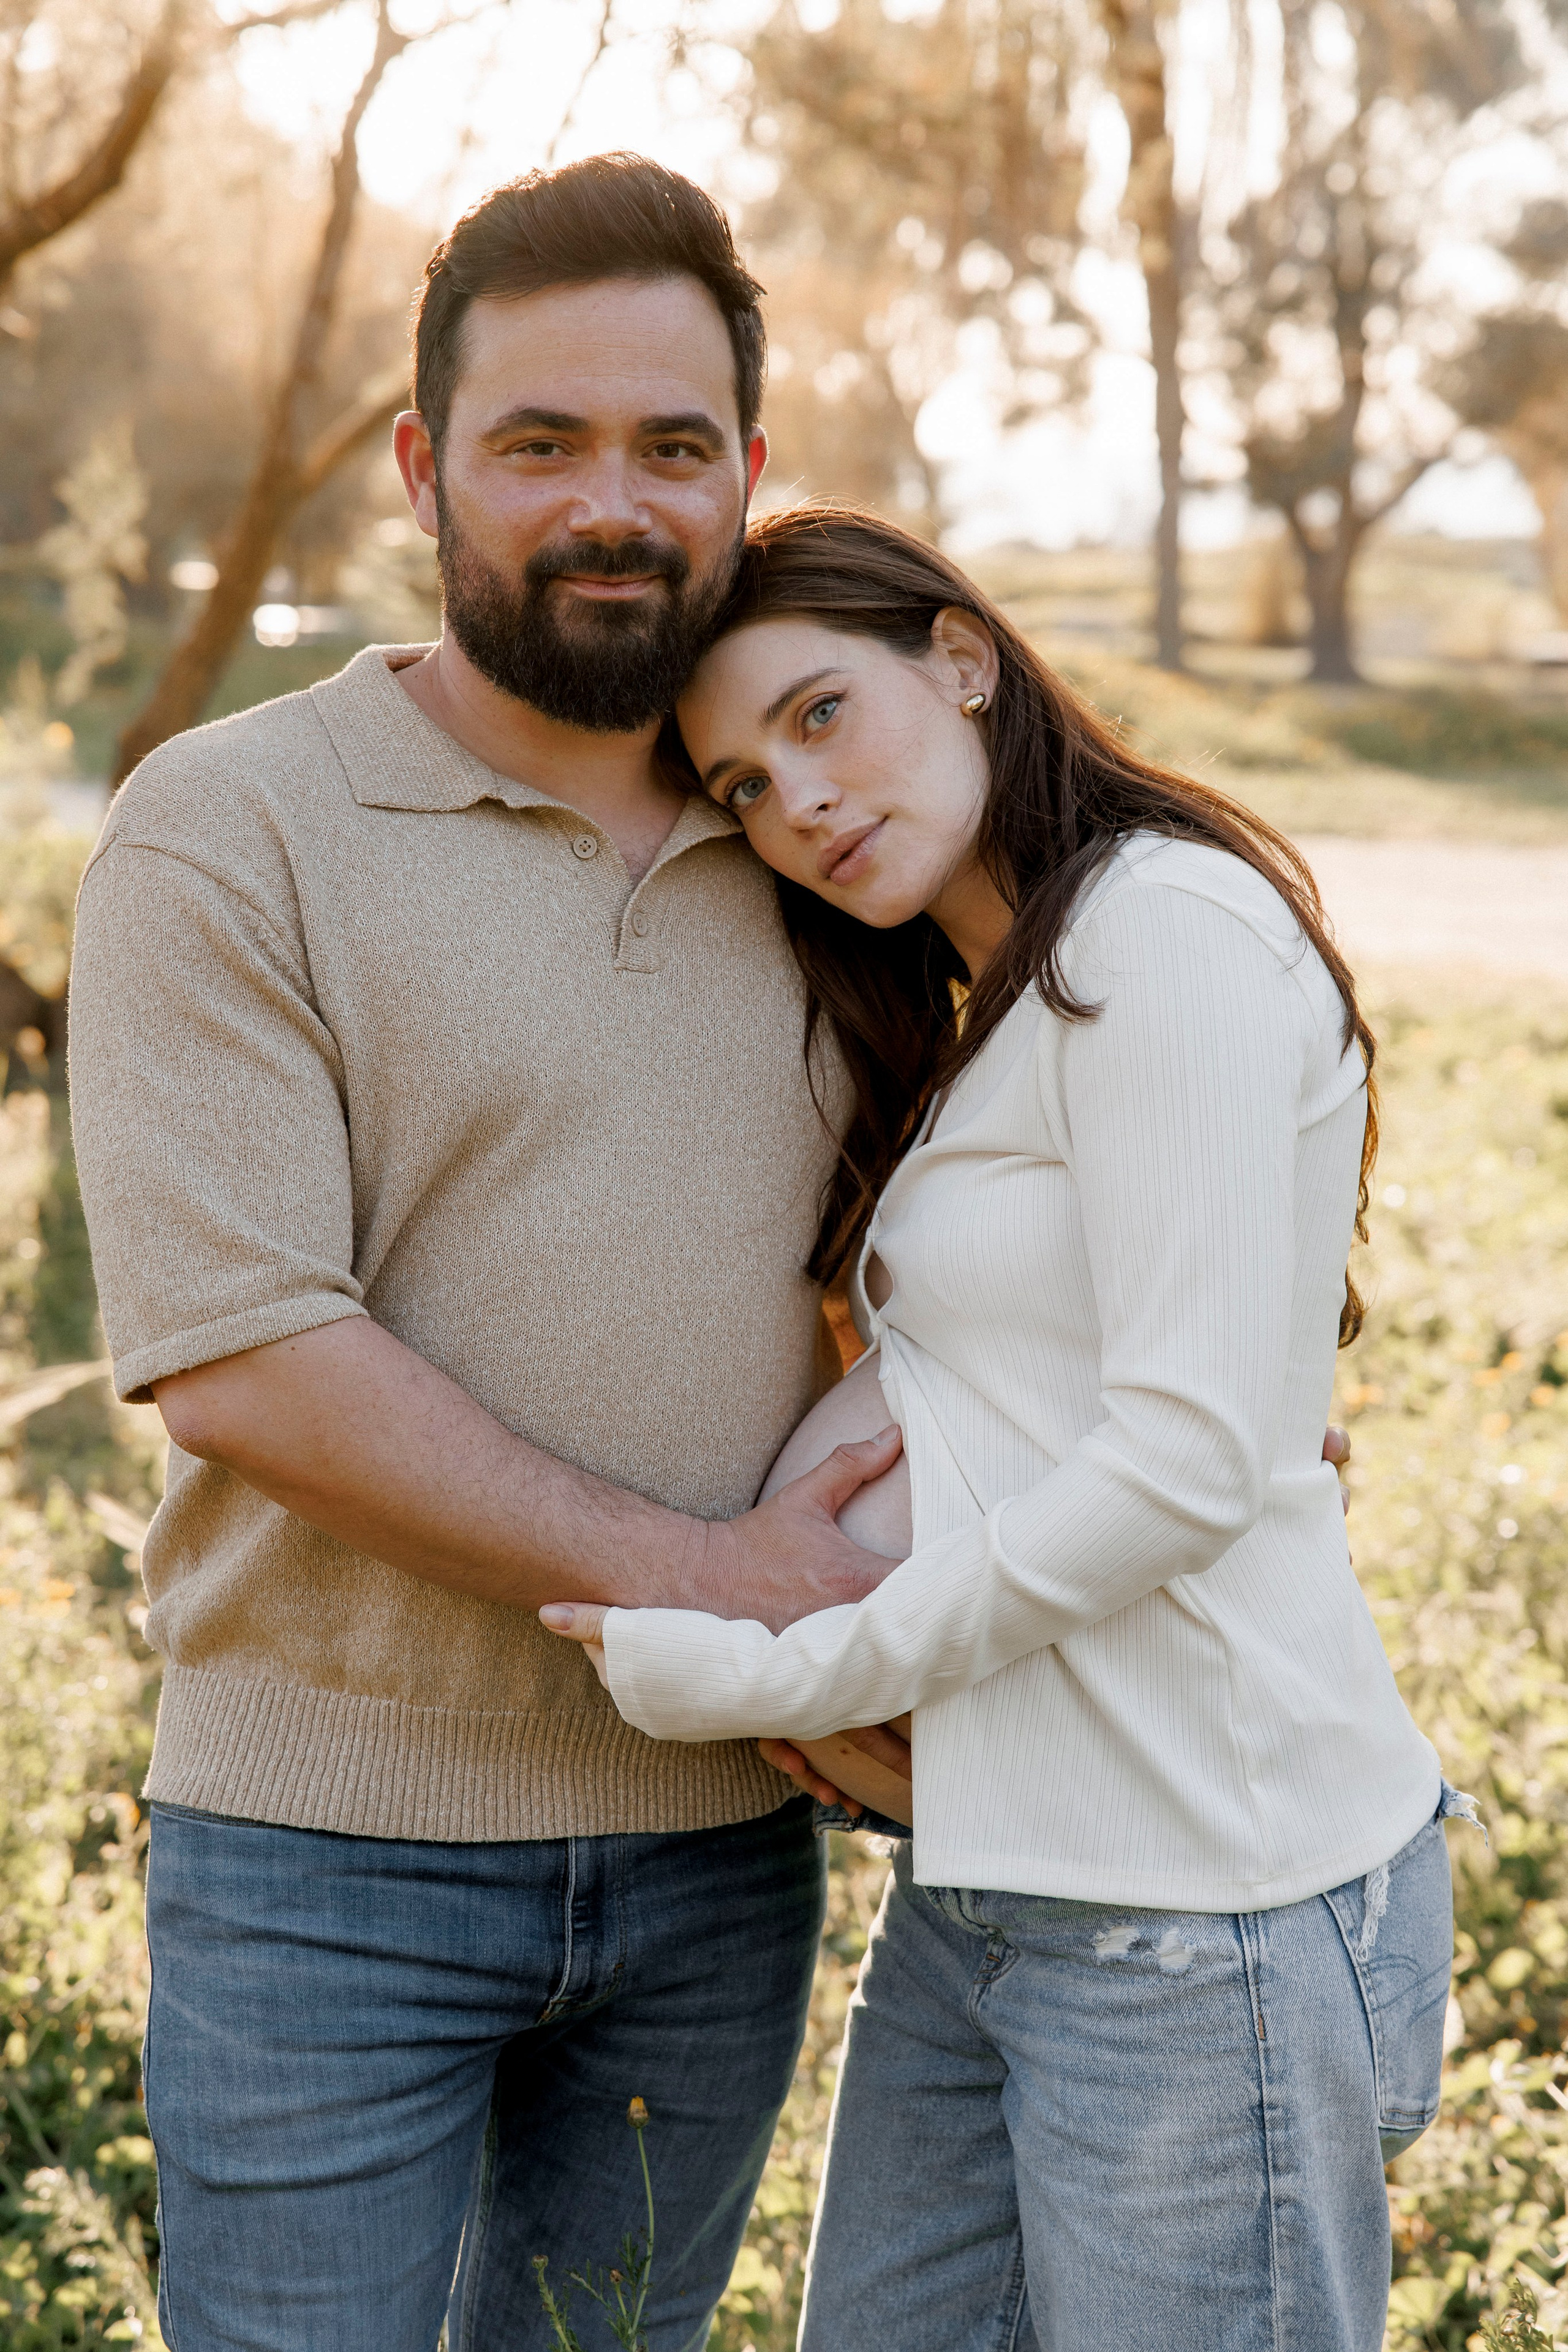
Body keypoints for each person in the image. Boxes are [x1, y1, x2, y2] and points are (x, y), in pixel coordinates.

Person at [67, 157, 910, 2352]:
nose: (610, 506)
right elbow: (243, 1355)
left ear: (749, 468)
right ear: (431, 469)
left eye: (672, 445)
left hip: (727, 1852)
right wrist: (723, 1585)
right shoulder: (230, 826)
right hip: (323, 1868)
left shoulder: (825, 832)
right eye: (541, 445)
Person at [542, 503, 1464, 2352]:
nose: (792, 801)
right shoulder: (1004, 996)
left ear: (962, 659)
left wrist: (802, 1663)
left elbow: (1192, 1461)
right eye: (740, 781)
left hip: (1206, 1898)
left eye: (821, 715)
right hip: (994, 1890)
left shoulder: (1169, 930)